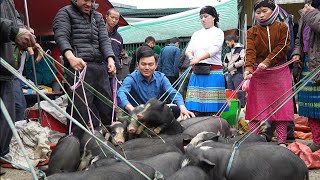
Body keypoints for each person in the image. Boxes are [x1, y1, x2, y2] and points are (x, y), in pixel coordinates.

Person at [53, 0, 116, 138]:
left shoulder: (97, 16)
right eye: (86, 0)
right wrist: (70, 57)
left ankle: (112, 146)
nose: (89, 4)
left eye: (93, 1)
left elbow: (104, 40)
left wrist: (110, 59)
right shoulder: (65, 12)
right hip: (79, 68)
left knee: (108, 110)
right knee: (79, 113)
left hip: (100, 68)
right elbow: (61, 36)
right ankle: (75, 148)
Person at [245, 0, 293, 147]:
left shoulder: (282, 27)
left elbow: (283, 46)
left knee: (281, 108)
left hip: (279, 71)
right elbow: (250, 51)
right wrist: (248, 69)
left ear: (273, 11)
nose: (261, 15)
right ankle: (253, 140)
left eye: (264, 11)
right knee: (254, 107)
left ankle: (281, 141)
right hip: (259, 74)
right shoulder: (251, 31)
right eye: (258, 12)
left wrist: (267, 62)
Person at [0, 0, 36, 170]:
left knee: (8, 119)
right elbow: (11, 27)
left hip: (6, 72)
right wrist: (15, 31)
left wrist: (23, 29)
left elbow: (15, 21)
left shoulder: (10, 3)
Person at [117, 46, 195, 120]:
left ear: (155, 65)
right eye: (143, 64)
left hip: (154, 114)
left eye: (150, 64)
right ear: (138, 65)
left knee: (177, 110)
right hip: (137, 115)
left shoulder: (161, 77)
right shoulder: (131, 78)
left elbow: (172, 92)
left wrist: (183, 107)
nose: (147, 68)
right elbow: (121, 93)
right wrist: (131, 109)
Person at [184, 6, 226, 116]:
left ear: (213, 17)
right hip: (197, 71)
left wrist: (198, 58)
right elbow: (189, 49)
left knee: (212, 110)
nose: (203, 19)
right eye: (201, 17)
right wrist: (191, 57)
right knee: (195, 107)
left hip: (213, 72)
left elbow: (214, 49)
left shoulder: (218, 32)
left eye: (206, 16)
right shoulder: (196, 34)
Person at [291, 0, 320, 152]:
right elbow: (298, 41)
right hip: (307, 65)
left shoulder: (310, 14)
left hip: (318, 64)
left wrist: (311, 13)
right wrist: (297, 54)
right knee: (310, 108)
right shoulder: (305, 16)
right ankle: (317, 141)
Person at [223, 35, 246, 108]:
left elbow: (243, 61)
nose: (227, 45)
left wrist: (232, 66)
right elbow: (225, 61)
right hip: (230, 74)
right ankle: (233, 108)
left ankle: (241, 108)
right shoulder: (229, 50)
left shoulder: (241, 49)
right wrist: (227, 65)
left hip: (238, 73)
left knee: (239, 92)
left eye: (228, 43)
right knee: (230, 92)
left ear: (232, 41)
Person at [105, 8, 123, 73]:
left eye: (116, 19)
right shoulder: (99, 32)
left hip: (115, 70)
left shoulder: (119, 37)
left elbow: (119, 53)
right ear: (106, 17)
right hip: (101, 69)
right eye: (112, 17)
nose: (114, 20)